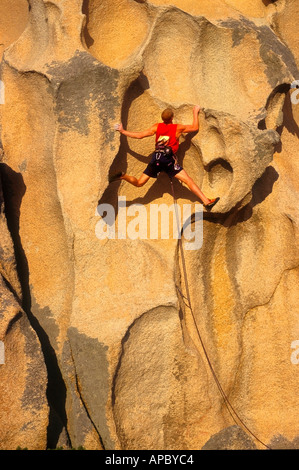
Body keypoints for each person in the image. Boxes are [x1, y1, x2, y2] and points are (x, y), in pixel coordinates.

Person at [111, 106, 219, 209]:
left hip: (156, 159)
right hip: (168, 161)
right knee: (188, 181)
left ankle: (123, 176)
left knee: (139, 183)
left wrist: (122, 131)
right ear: (172, 118)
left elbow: (140, 135)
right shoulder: (177, 128)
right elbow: (195, 127)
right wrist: (195, 112)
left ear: (162, 118)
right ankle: (206, 201)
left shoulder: (157, 127)